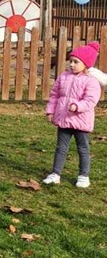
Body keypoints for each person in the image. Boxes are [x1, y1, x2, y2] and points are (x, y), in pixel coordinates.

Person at [43, 41, 102, 188]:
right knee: (61, 147)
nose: (72, 64)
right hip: (64, 120)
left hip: (80, 121)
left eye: (76, 62)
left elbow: (91, 100)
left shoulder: (91, 81)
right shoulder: (63, 76)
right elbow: (54, 95)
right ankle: (56, 173)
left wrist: (78, 106)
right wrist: (51, 110)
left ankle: (84, 175)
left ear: (86, 64)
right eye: (71, 61)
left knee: (83, 148)